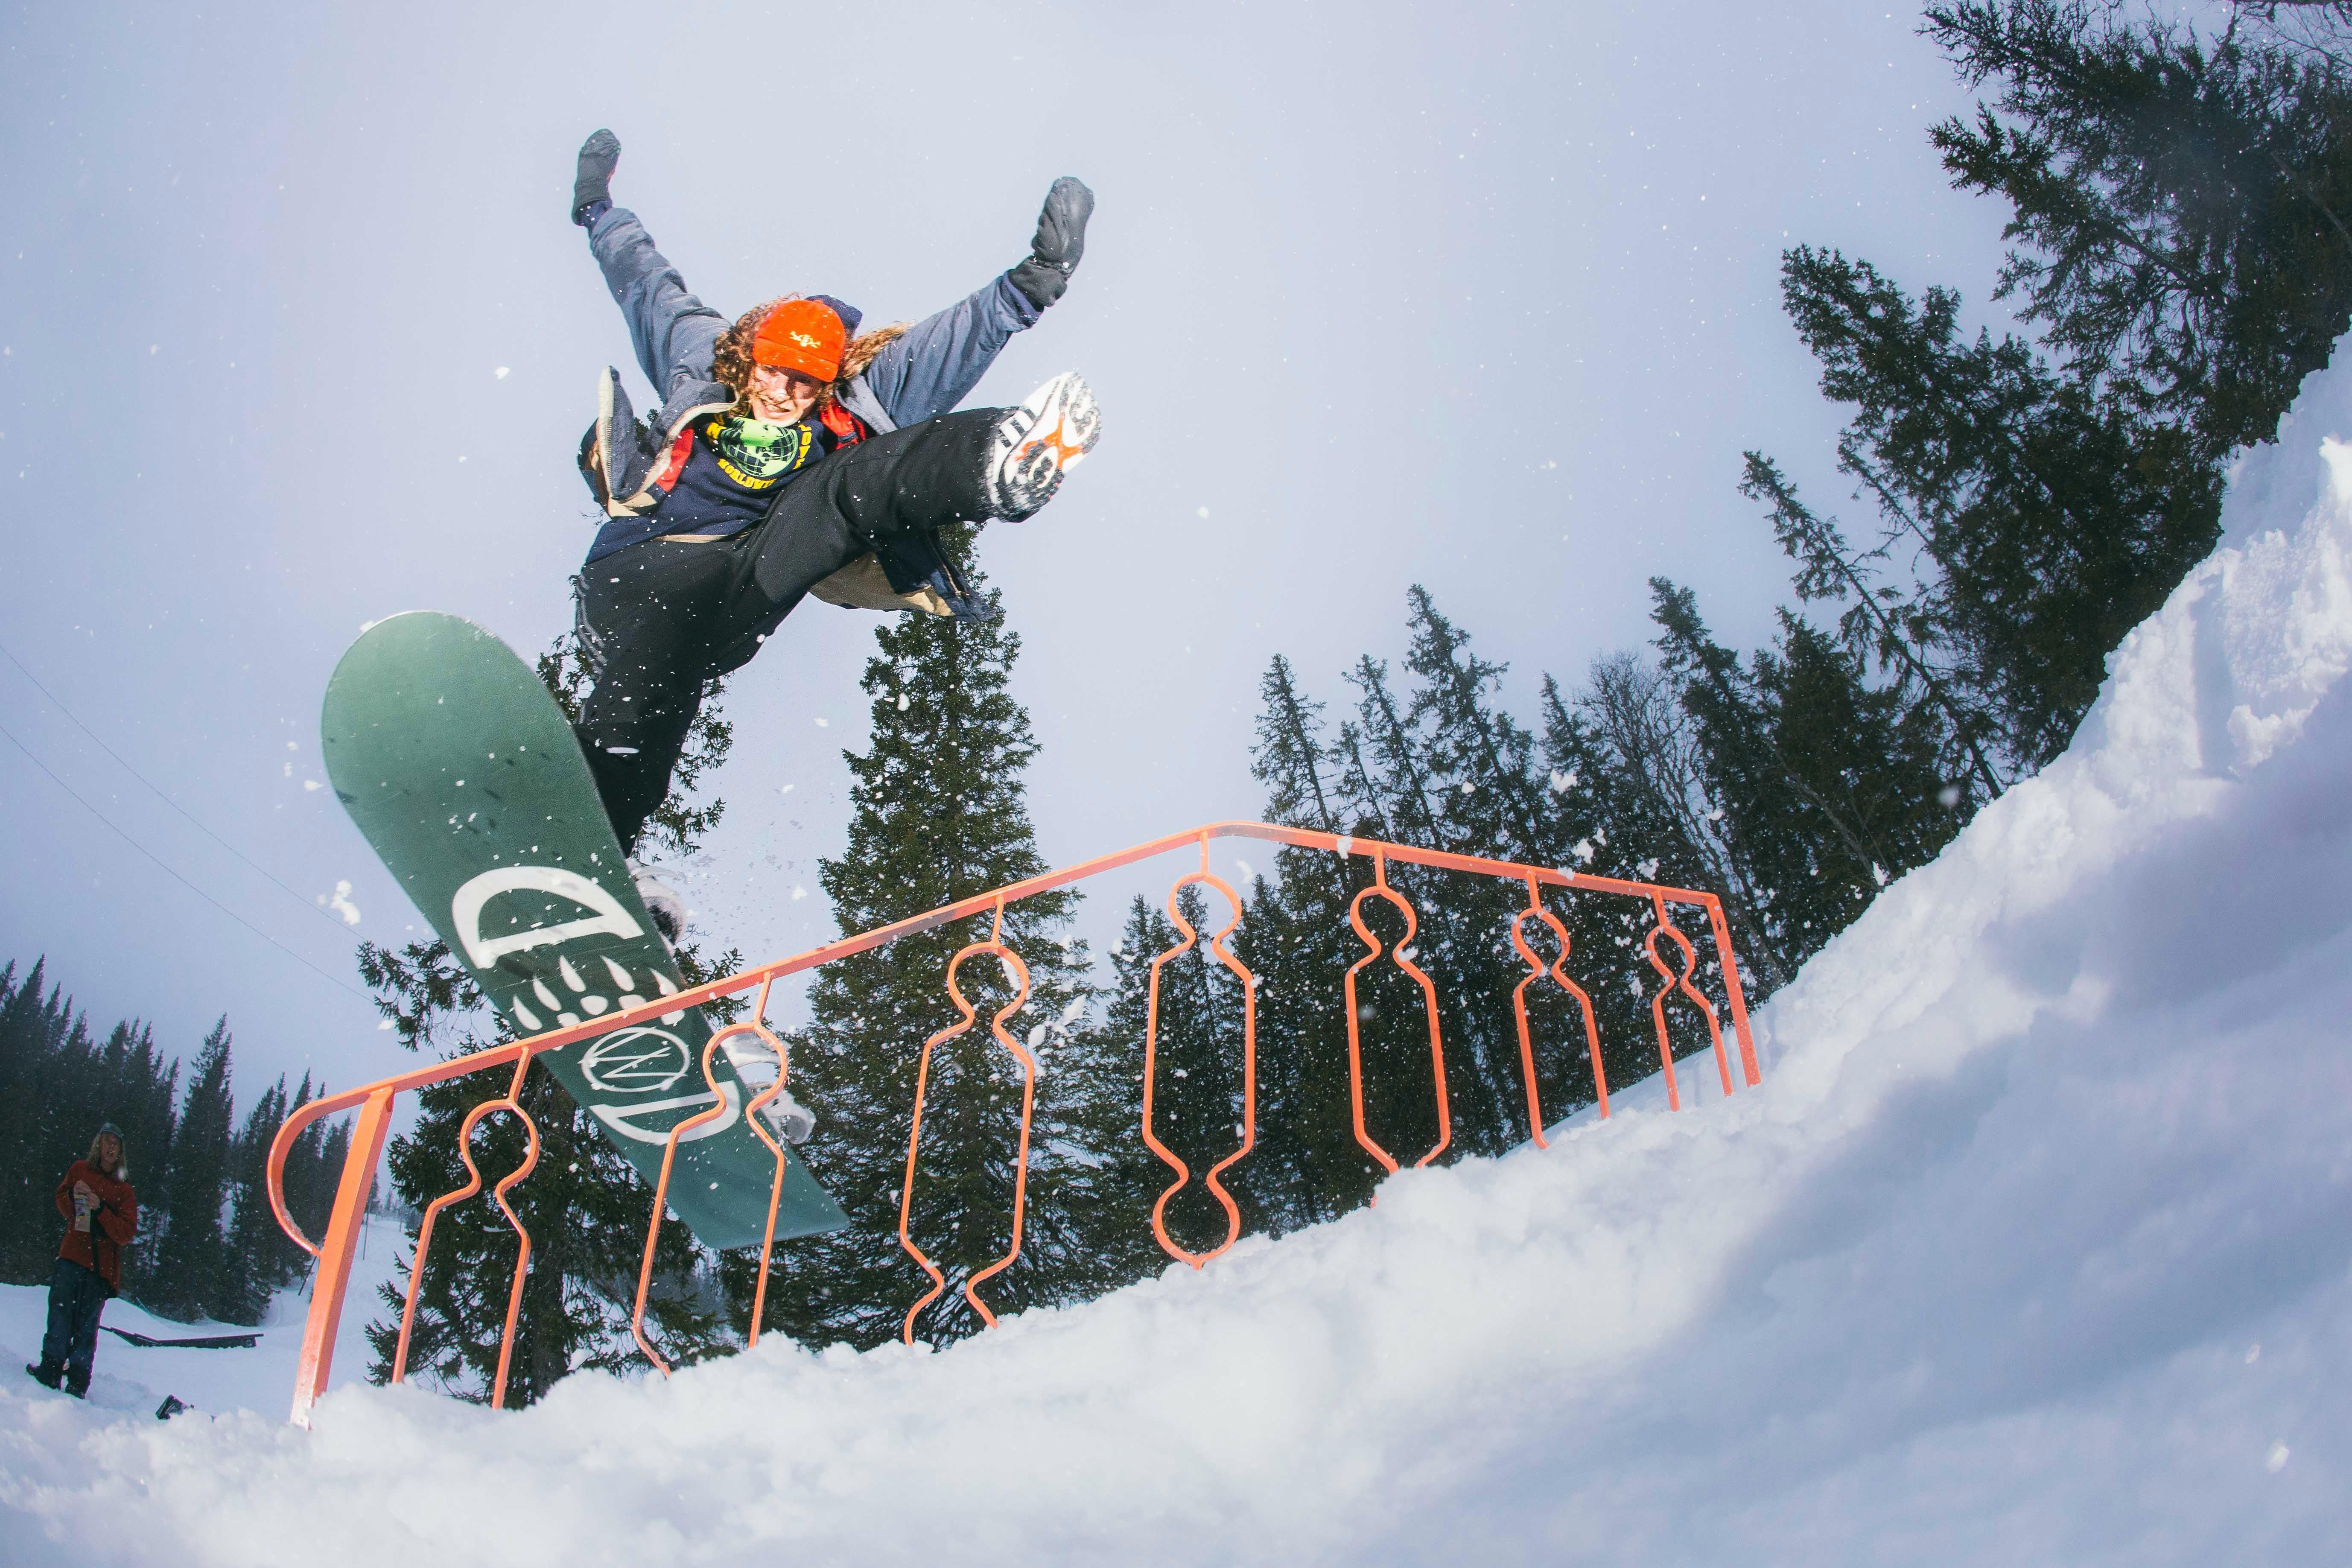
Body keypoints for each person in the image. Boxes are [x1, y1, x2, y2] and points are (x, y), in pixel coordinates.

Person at [563, 130, 1100, 935]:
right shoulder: (697, 359)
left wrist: (1035, 282)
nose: (785, 393)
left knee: (847, 483)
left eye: (806, 382)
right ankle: (590, 841)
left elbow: (943, 347)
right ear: (750, 357)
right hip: (637, 573)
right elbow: (646, 282)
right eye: (774, 371)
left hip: (740, 590)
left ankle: (996, 461)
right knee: (671, 631)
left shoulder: (840, 415)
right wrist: (597, 207)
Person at [24, 1122, 138, 1399]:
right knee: (59, 1314)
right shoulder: (80, 1170)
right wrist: (75, 1196)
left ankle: (77, 1382)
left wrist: (100, 1208)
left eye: (116, 1144)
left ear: (121, 1152)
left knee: (87, 1327)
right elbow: (63, 1205)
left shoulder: (124, 1191)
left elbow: (125, 1233)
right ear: (98, 1144)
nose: (111, 1148)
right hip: (71, 1257)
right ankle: (50, 1369)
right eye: (107, 1141)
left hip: (99, 1269)